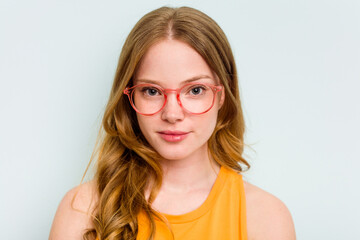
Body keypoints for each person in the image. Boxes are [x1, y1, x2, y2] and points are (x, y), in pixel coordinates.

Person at [49, 6, 296, 240]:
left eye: (195, 90)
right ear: (130, 95)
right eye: (152, 91)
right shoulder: (82, 209)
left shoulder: (265, 217)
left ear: (222, 95)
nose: (172, 113)